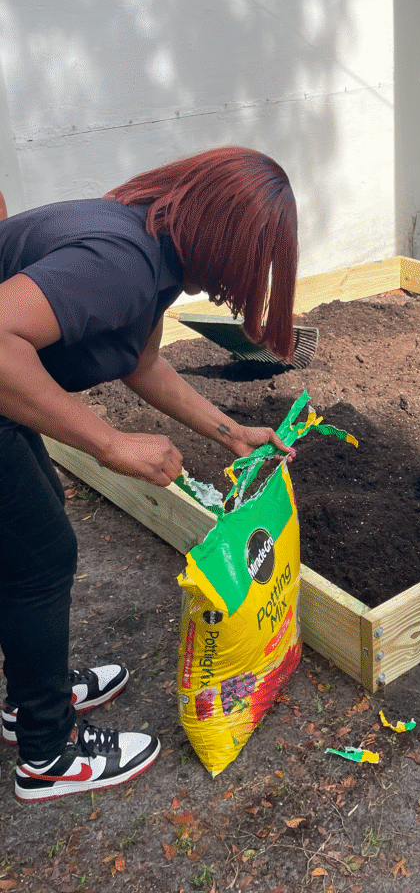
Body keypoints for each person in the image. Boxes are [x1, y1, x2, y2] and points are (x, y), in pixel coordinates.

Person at [0, 146, 299, 801]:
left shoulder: (153, 253)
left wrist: (231, 433)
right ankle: (47, 753)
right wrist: (110, 445)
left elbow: (141, 364)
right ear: (226, 239)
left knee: (29, 543)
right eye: (255, 259)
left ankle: (31, 698)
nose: (249, 278)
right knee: (42, 558)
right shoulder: (121, 262)